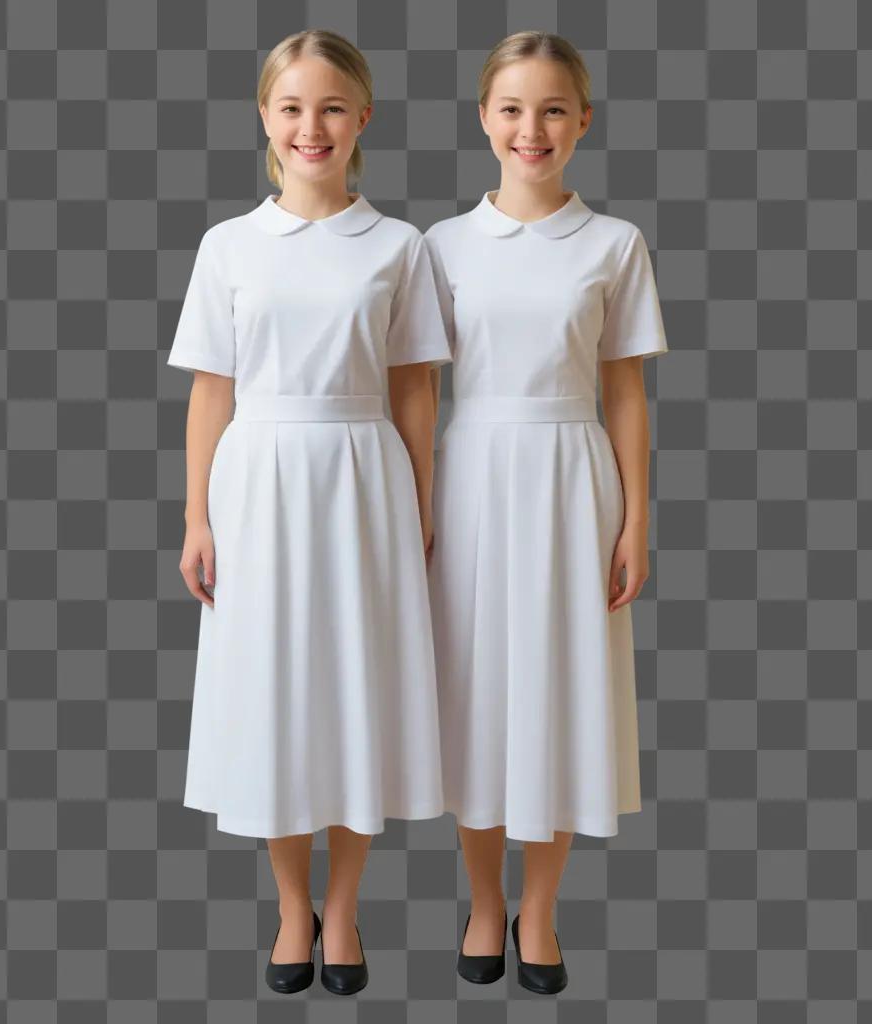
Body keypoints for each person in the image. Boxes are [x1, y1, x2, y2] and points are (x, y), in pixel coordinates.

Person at [166, 29, 451, 996]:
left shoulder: (400, 246)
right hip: (259, 484)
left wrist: (421, 503)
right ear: (265, 119)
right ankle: (295, 907)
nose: (311, 126)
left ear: (362, 117)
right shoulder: (229, 245)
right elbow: (212, 391)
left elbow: (415, 390)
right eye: (291, 107)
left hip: (364, 479)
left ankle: (350, 907)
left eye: (331, 106)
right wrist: (197, 518)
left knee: (354, 692)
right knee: (276, 698)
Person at [425, 31, 668, 994]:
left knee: (563, 690)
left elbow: (625, 395)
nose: (533, 129)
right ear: (485, 118)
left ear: (583, 123)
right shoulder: (439, 245)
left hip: (576, 479)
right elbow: (410, 388)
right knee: (477, 693)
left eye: (554, 109)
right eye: (514, 109)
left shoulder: (613, 244)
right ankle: (484, 902)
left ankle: (539, 912)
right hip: (474, 475)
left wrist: (636, 519)